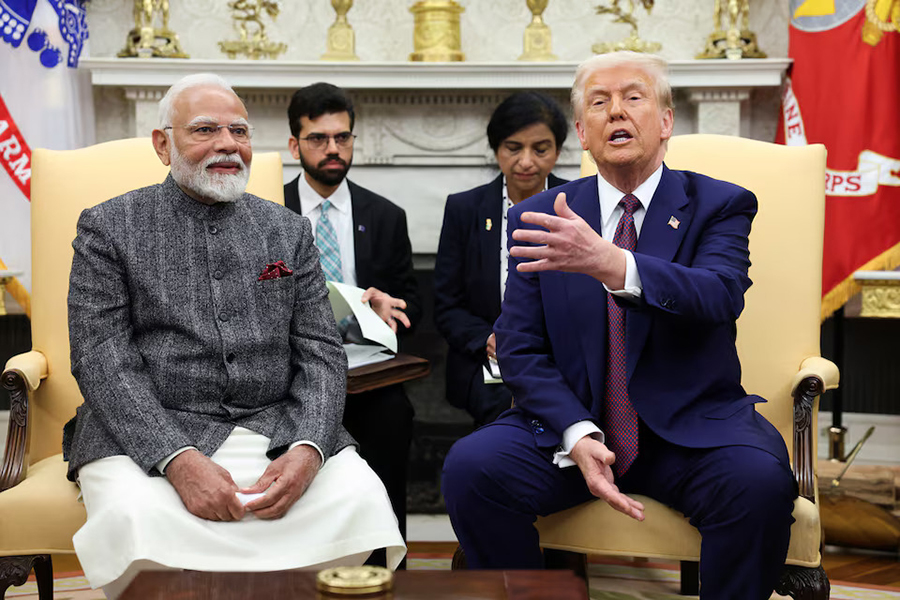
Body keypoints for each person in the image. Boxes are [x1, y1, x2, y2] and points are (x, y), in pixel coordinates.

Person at [442, 52, 797, 599]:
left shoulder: (718, 204)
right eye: (599, 103)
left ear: (666, 121)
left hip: (689, 434)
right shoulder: (540, 216)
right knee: (471, 468)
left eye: (633, 97)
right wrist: (576, 432)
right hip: (573, 430)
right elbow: (519, 346)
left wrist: (612, 263)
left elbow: (719, 295)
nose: (616, 112)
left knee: (759, 484)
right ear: (583, 133)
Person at [63, 73, 405, 599]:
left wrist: (309, 448)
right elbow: (101, 358)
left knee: (358, 496)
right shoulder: (109, 228)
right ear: (163, 145)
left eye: (239, 132)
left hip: (273, 426)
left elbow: (320, 353)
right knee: (137, 516)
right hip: (146, 433)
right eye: (205, 130)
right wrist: (176, 458)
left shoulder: (287, 231)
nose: (228, 144)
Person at [283, 82, 420, 564]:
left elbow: (413, 307)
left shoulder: (386, 216)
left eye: (342, 137)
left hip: (365, 371)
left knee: (393, 416)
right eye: (318, 138)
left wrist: (389, 310)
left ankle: (386, 566)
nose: (333, 149)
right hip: (288, 373)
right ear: (295, 145)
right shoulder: (266, 211)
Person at [434, 91, 569, 426]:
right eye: (513, 148)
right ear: (496, 149)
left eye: (540, 149)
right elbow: (447, 305)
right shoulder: (465, 209)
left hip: (562, 357)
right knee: (502, 413)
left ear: (557, 151)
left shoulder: (578, 206)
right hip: (488, 360)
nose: (526, 161)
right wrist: (488, 340)